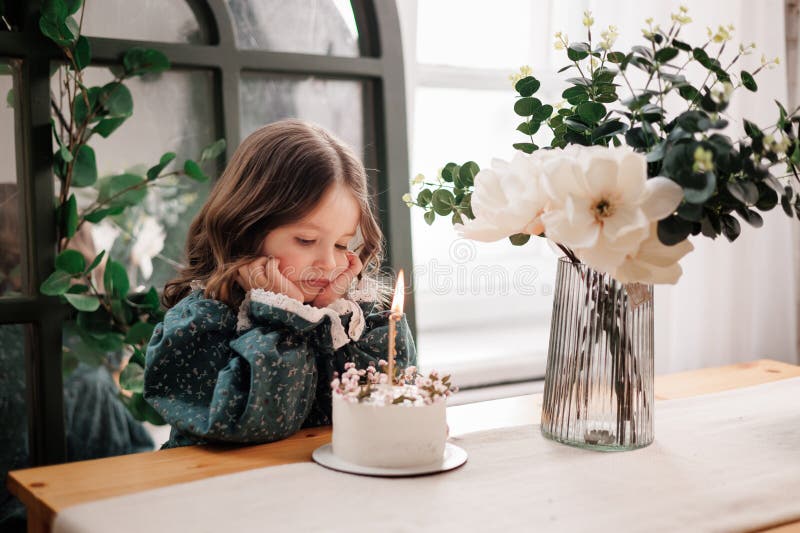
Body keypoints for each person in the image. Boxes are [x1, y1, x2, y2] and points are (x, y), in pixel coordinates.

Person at [144, 119, 416, 448]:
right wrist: (282, 319)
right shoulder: (201, 324)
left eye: (342, 244)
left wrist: (322, 313)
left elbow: (384, 414)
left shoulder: (354, 319)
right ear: (247, 227)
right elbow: (256, 425)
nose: (329, 263)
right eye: (305, 240)